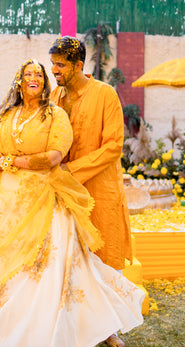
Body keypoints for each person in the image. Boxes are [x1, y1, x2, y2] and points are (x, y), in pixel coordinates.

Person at [0, 59, 144, 347]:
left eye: (39, 74)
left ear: (45, 83)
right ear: (18, 82)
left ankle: (55, 335)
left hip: (46, 203)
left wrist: (11, 162)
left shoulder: (55, 115)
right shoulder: (9, 114)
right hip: (9, 207)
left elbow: (54, 157)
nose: (33, 78)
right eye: (27, 74)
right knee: (7, 268)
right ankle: (4, 329)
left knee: (47, 270)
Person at [49, 36, 132, 273]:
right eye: (53, 63)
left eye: (61, 64)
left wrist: (71, 171)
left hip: (98, 189)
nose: (54, 70)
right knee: (65, 260)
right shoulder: (54, 97)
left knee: (102, 258)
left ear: (78, 65)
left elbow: (114, 146)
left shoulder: (105, 94)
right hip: (62, 191)